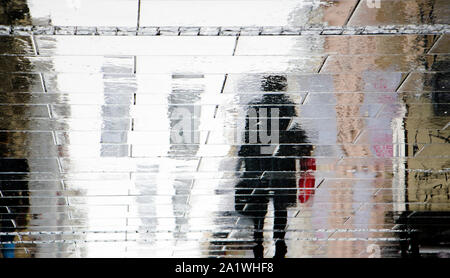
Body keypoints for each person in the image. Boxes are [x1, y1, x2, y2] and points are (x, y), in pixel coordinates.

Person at [235, 75, 314, 258]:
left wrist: (243, 160)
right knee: (280, 203)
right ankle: (279, 238)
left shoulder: (254, 105)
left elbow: (248, 136)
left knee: (259, 200)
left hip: (258, 161)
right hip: (281, 161)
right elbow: (293, 131)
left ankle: (258, 233)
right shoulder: (287, 105)